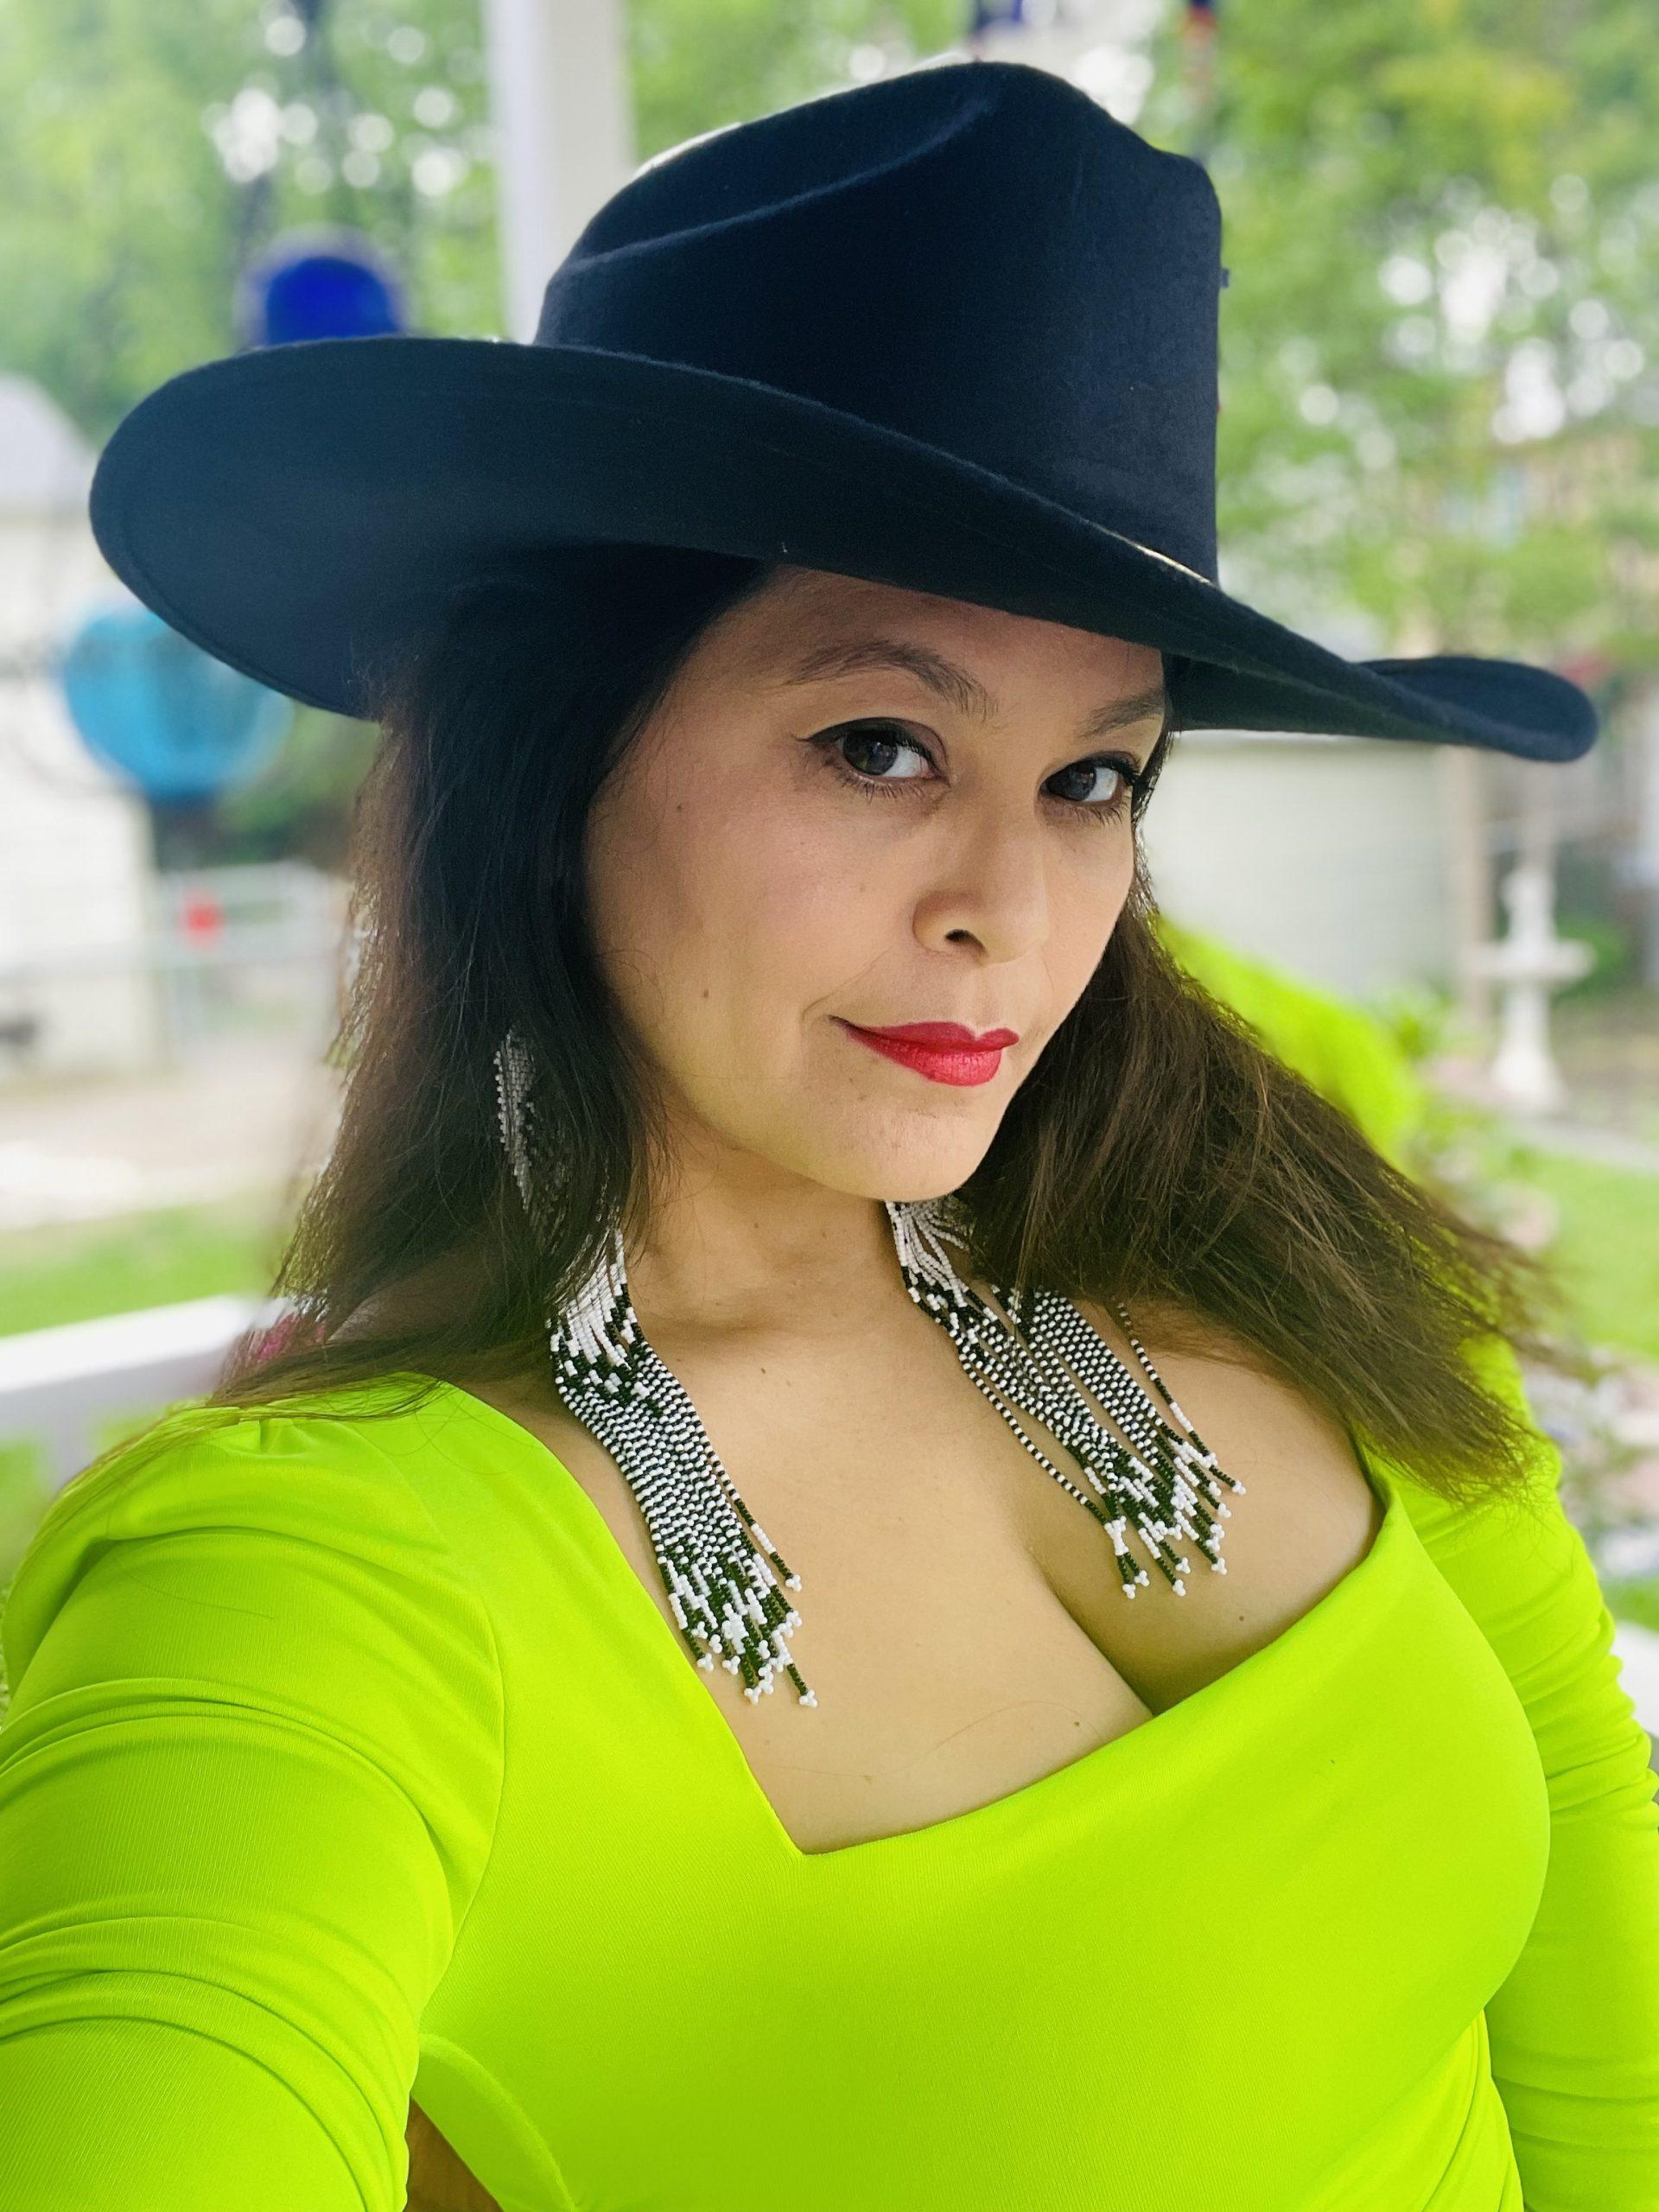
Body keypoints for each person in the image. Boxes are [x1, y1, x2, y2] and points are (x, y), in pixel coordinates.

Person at [3, 59, 1655, 2212]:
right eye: (880, 743)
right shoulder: (310, 1583)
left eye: (1094, 777)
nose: (1013, 906)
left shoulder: (1273, 1231)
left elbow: (1607, 1984)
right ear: (552, 762)